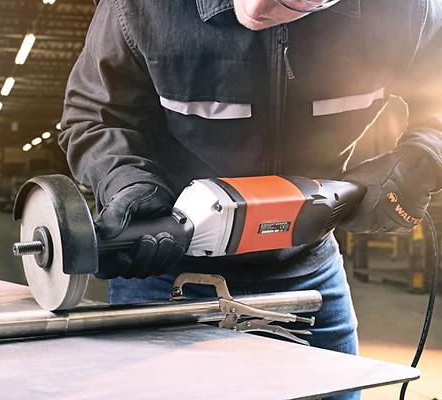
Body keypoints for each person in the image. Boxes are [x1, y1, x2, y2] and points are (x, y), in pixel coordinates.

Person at [59, 1, 442, 398]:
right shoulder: (141, 7)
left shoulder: (406, 9)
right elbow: (94, 114)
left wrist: (420, 161)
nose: (256, 9)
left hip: (307, 271)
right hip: (165, 271)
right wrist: (127, 181)